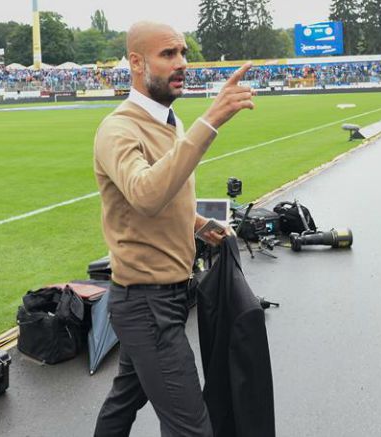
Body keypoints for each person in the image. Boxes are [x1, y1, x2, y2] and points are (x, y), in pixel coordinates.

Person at [92, 21, 255, 437]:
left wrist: (199, 225)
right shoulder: (118, 129)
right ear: (135, 61)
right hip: (146, 303)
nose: (182, 63)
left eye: (183, 52)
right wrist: (212, 119)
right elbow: (145, 194)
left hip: (165, 295)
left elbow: (168, 197)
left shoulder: (170, 121)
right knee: (192, 428)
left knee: (125, 399)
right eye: (168, 54)